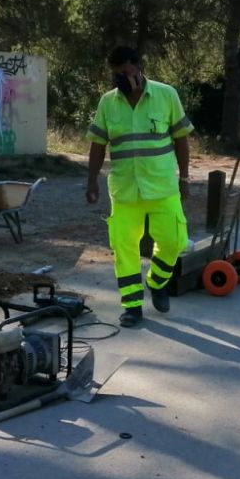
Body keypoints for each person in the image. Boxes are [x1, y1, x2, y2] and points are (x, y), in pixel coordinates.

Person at [85, 46, 194, 327]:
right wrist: (91, 181)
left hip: (162, 187)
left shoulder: (166, 94)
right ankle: (132, 306)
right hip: (124, 189)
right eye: (116, 74)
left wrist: (184, 178)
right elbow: (98, 144)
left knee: (174, 241)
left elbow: (181, 138)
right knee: (124, 248)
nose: (121, 78)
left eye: (125, 72)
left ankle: (157, 281)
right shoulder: (108, 102)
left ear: (139, 67)